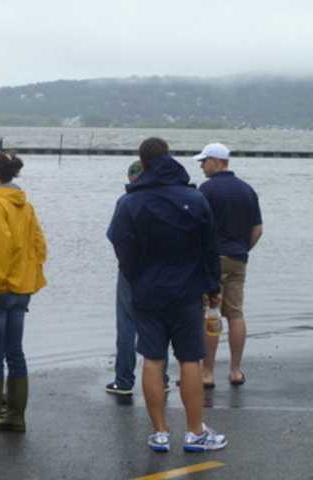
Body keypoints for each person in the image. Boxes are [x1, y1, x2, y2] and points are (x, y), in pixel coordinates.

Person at [108, 137, 227, 452]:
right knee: (190, 358)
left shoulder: (130, 202)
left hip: (146, 290)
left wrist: (134, 275)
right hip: (187, 290)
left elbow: (119, 241)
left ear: (142, 162)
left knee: (152, 358)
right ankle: (193, 431)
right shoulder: (194, 198)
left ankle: (160, 432)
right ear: (169, 157)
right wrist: (213, 286)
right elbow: (209, 247)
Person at [0, 151, 47, 437]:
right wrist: (28, 278)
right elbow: (39, 246)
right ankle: (16, 417)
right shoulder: (25, 206)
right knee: (16, 353)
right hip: (22, 289)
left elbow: (0, 249)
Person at [195, 143, 263, 387]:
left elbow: (197, 227)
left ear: (216, 161)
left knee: (211, 313)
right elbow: (257, 228)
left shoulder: (206, 190)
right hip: (238, 259)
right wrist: (244, 250)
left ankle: (207, 373)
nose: (201, 166)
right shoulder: (247, 190)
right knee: (235, 314)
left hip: (212, 261)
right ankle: (235, 370)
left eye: (204, 161)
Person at [105, 160, 170, 396]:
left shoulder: (126, 202)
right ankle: (161, 378)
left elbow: (115, 236)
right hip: (163, 271)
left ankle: (124, 380)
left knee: (126, 325)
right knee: (161, 326)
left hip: (131, 272)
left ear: (133, 179)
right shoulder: (169, 199)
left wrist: (128, 264)